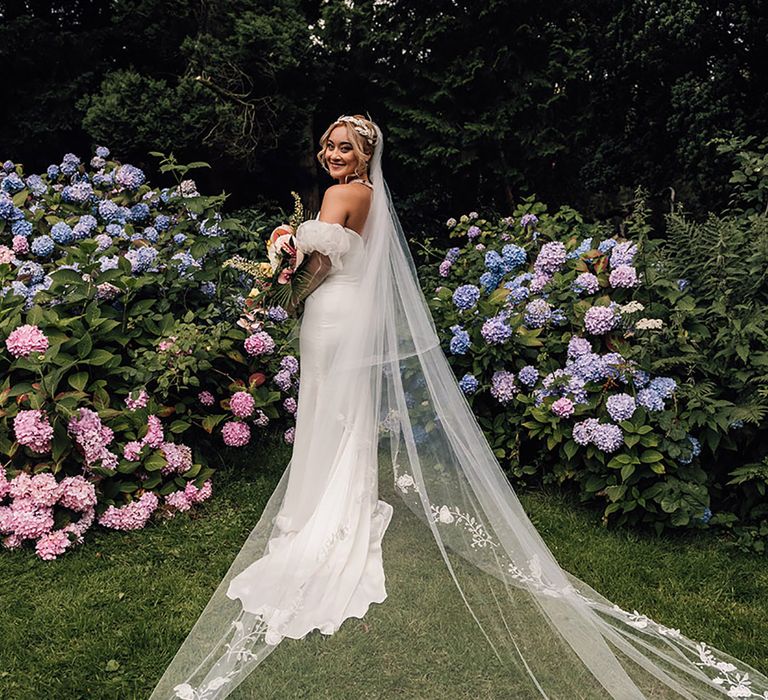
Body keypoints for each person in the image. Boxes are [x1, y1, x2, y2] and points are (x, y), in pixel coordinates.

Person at [150, 115, 768, 699]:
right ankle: (342, 497)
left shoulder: (343, 198)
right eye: (329, 145)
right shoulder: (367, 197)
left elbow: (315, 264)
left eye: (344, 147)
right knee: (341, 411)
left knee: (326, 409)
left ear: (365, 153)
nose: (332, 154)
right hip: (342, 315)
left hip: (331, 316)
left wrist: (285, 257)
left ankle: (320, 507)